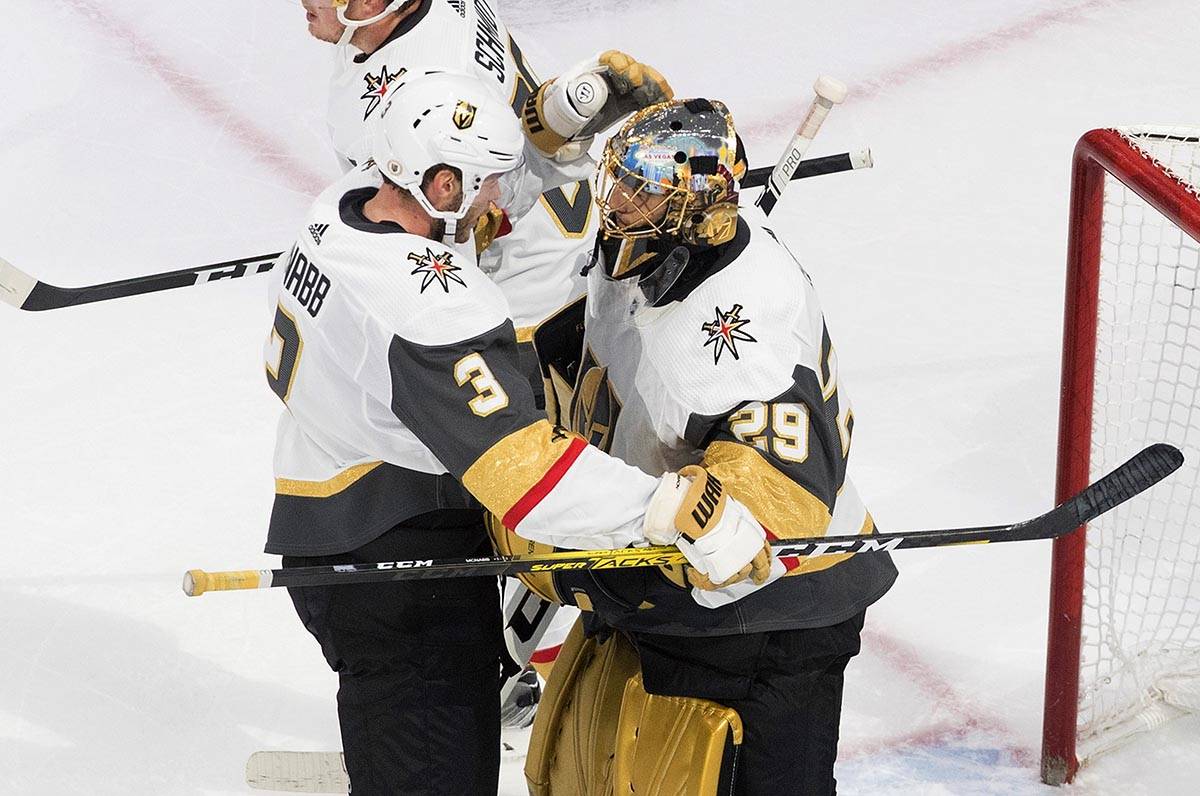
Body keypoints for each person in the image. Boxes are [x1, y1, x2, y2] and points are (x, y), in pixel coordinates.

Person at [262, 72, 774, 795]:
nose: (502, 200)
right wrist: (662, 508)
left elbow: (473, 211)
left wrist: (553, 134)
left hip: (335, 512)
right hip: (397, 570)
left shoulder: (343, 206)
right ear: (440, 186)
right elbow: (526, 472)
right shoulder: (427, 306)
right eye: (488, 183)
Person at [296, 0, 673, 712]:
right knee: (538, 492)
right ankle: (513, 669)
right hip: (553, 270)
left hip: (514, 305)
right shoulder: (447, 11)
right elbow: (504, 139)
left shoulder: (414, 80)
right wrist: (560, 112)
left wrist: (370, 249)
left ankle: (531, 682)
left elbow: (486, 202)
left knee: (530, 493)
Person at [522, 98, 899, 795]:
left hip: (779, 608)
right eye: (622, 180)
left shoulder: (743, 341)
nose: (620, 201)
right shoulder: (644, 249)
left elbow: (783, 494)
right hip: (680, 586)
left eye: (645, 191)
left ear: (694, 211)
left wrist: (713, 506)